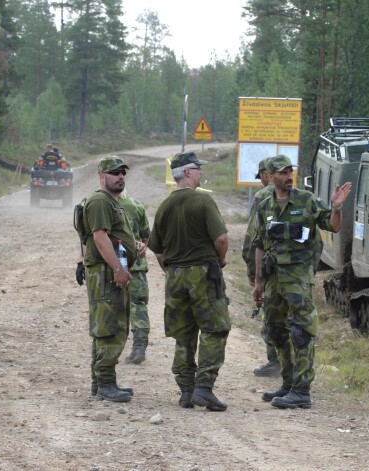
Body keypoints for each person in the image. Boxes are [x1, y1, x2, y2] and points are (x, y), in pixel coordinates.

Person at [252, 155, 352, 409]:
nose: (288, 177)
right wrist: (258, 281)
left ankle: (302, 390)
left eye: (290, 172)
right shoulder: (264, 204)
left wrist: (337, 208)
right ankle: (288, 383)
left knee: (301, 332)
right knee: (275, 330)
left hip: (298, 278)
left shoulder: (306, 200)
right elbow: (259, 244)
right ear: (271, 176)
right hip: (273, 278)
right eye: (283, 173)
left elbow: (332, 225)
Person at [148, 151, 231, 412]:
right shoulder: (203, 202)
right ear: (186, 172)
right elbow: (222, 239)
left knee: (183, 333)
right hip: (203, 272)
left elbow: (157, 249)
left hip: (175, 275)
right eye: (198, 168)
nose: (201, 173)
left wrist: (170, 270)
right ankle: (204, 388)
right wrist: (220, 260)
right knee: (214, 329)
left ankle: (186, 390)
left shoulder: (164, 206)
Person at [81, 156, 137, 402]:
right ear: (102, 176)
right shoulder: (100, 201)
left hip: (107, 271)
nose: (120, 176)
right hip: (105, 274)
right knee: (110, 327)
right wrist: (117, 269)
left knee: (106, 326)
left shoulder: (110, 202)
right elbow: (99, 238)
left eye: (123, 172)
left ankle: (101, 382)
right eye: (115, 173)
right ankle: (105, 383)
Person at [241, 158, 280, 378]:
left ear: (266, 174)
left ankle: (274, 361)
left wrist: (251, 271)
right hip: (295, 268)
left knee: (271, 312)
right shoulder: (299, 196)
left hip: (269, 266)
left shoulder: (262, 196)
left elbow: (253, 236)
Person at [118, 193, 151, 365]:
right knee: (138, 305)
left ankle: (111, 348)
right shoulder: (136, 205)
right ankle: (139, 347)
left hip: (111, 264)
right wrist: (141, 245)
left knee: (112, 304)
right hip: (136, 264)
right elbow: (146, 236)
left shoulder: (99, 203)